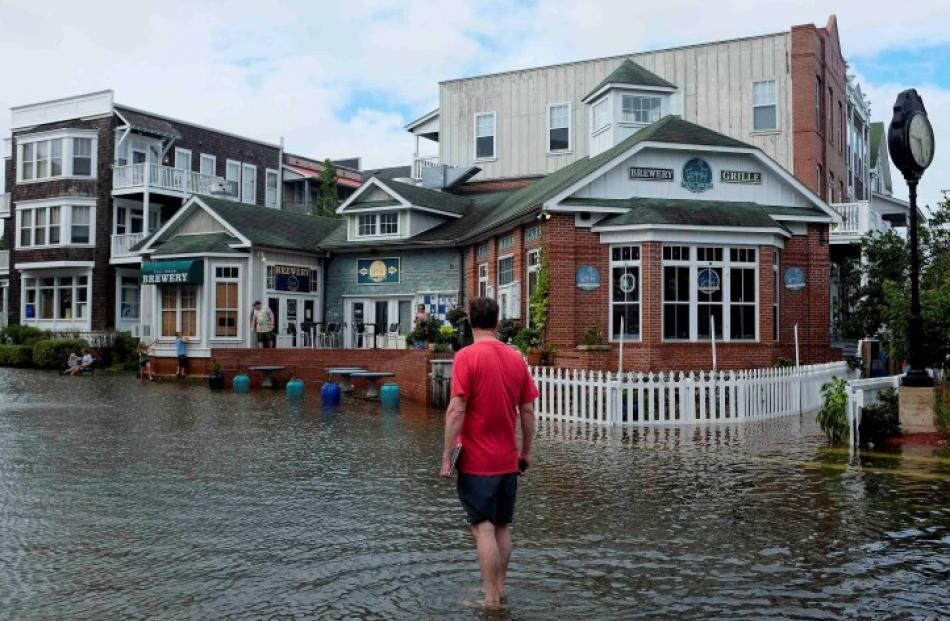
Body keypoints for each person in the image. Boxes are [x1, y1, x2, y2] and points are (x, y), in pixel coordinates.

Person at [440, 297, 538, 608]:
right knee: (502, 527)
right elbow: (528, 411)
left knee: (482, 528)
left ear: (470, 320)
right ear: (497, 322)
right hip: (507, 459)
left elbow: (456, 410)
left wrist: (445, 457)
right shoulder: (515, 359)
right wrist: (526, 452)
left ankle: (491, 599)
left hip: (476, 461)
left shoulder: (466, 357)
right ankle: (500, 590)